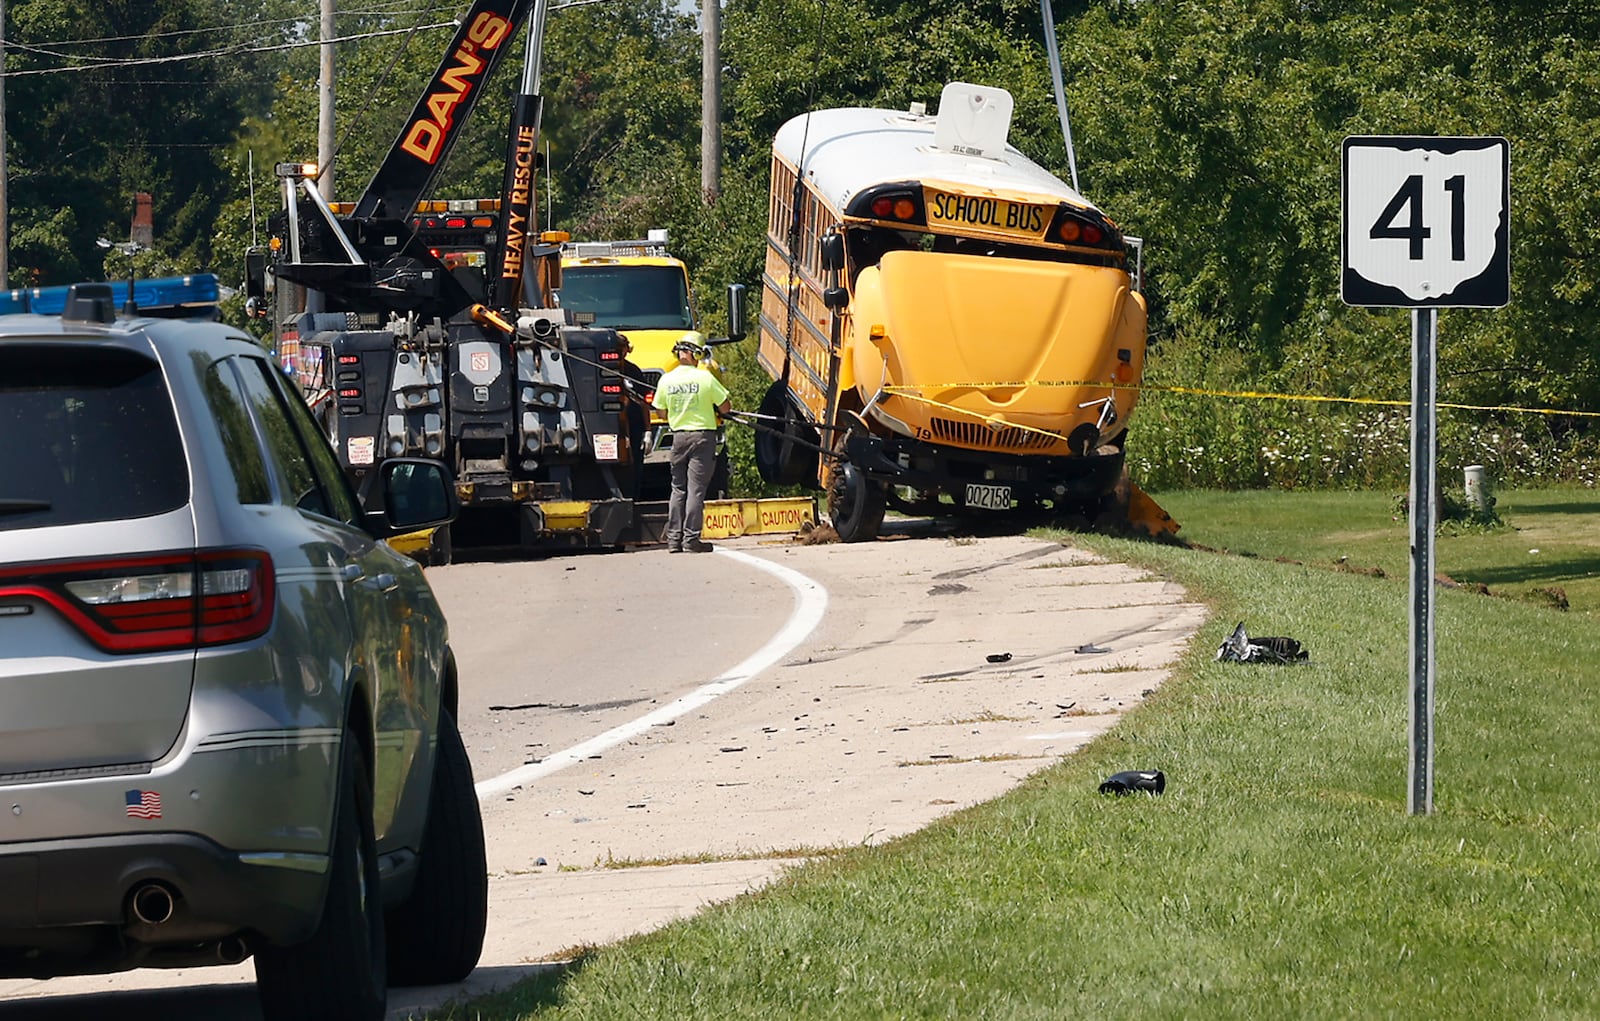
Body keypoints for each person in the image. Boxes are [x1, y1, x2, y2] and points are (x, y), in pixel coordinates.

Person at [651, 332, 730, 553]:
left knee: (678, 489)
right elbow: (725, 407)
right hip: (702, 438)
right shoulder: (705, 378)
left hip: (678, 438)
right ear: (696, 353)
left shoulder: (666, 379)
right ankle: (691, 540)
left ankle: (673, 540)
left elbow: (661, 413)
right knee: (695, 490)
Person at [614, 334, 652, 499]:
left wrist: (648, 431)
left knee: (635, 467)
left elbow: (644, 402)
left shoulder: (633, 371)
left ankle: (634, 500)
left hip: (635, 427)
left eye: (622, 348)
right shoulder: (598, 368)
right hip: (610, 428)